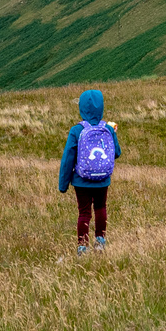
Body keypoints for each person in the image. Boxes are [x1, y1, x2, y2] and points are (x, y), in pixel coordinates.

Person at [58, 88, 122, 254]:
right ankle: (100, 241)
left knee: (84, 212)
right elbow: (117, 153)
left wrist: (63, 185)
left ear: (82, 107)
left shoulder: (76, 130)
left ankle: (82, 247)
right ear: (101, 107)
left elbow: (68, 159)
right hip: (102, 179)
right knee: (101, 207)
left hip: (81, 180)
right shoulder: (108, 128)